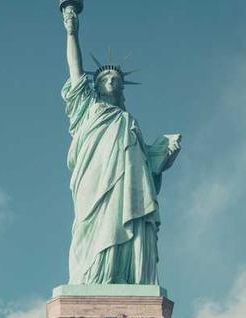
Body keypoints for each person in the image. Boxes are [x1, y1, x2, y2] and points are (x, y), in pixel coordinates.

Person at [61, 6, 181, 285]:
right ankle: (92, 278)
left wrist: (164, 154)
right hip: (93, 179)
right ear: (97, 86)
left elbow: (147, 166)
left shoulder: (128, 121)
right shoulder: (87, 108)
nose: (112, 81)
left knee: (126, 219)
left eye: (116, 80)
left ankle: (125, 276)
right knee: (90, 225)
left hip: (127, 186)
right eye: (105, 79)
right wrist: (72, 33)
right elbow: (76, 71)